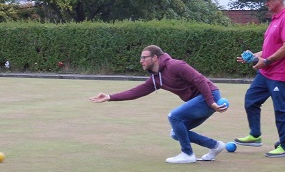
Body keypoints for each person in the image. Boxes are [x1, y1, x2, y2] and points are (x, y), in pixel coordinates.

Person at [90, 45, 228, 164]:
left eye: (144, 57)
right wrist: (109, 97)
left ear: (155, 58)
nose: (141, 61)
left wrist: (211, 102)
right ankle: (215, 145)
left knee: (174, 116)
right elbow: (136, 92)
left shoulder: (175, 65)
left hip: (208, 96)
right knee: (176, 133)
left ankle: (187, 154)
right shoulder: (157, 78)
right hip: (204, 100)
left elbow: (200, 80)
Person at [235, 0, 285, 158]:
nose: (266, 3)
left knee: (280, 109)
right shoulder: (275, 19)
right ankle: (255, 135)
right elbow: (271, 48)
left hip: (279, 73)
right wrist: (255, 56)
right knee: (251, 100)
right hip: (266, 72)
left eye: (268, 0)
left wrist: (267, 61)